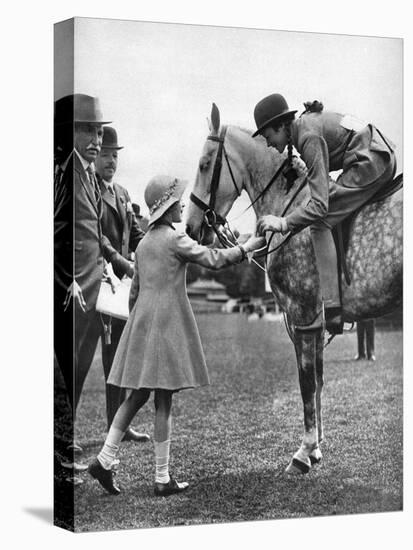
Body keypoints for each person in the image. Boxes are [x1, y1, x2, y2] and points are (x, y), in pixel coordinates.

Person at [88, 175, 265, 496]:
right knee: (163, 401)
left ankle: (104, 458)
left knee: (137, 395)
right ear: (167, 207)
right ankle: (161, 477)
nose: (184, 205)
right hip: (166, 327)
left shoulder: (143, 245)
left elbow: (135, 292)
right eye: (179, 202)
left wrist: (136, 326)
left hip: (142, 323)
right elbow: (212, 259)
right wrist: (246, 248)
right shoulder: (174, 239)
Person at [252, 94, 396, 335]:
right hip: (377, 154)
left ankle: (332, 307)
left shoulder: (307, 136)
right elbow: (322, 178)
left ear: (281, 126)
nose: (268, 144)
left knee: (319, 223)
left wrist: (284, 222)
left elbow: (319, 206)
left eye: (268, 136)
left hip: (372, 162)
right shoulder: (305, 128)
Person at [54, 93, 112, 474]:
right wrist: (67, 280)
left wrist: (104, 264)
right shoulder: (67, 173)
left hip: (93, 287)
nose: (96, 139)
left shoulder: (89, 175)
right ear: (70, 133)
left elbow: (93, 230)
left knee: (82, 364)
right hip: (73, 290)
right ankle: (59, 446)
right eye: (87, 130)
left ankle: (64, 439)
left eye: (98, 131)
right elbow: (58, 229)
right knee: (68, 368)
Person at [95, 126, 149, 442]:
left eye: (115, 155)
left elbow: (136, 234)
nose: (111, 161)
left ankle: (120, 425)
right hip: (103, 283)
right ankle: (112, 425)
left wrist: (159, 241)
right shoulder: (90, 192)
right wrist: (123, 264)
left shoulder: (123, 193)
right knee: (110, 354)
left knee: (122, 354)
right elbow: (99, 238)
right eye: (105, 154)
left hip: (124, 285)